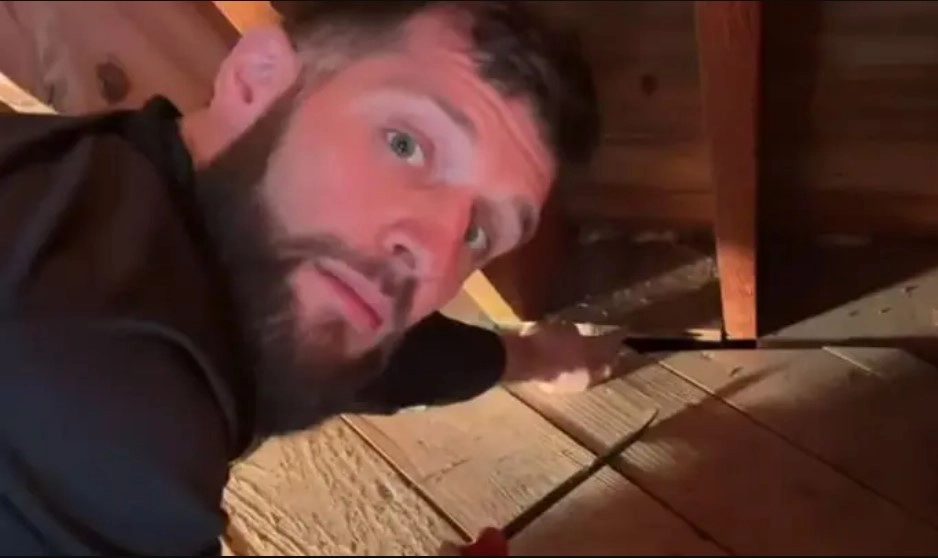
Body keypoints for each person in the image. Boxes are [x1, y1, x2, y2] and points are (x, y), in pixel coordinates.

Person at [0, 1, 617, 554]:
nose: (433, 255)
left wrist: (531, 357)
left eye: (479, 232)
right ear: (257, 79)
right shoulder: (113, 418)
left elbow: (360, 344)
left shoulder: (126, 184)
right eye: (405, 145)